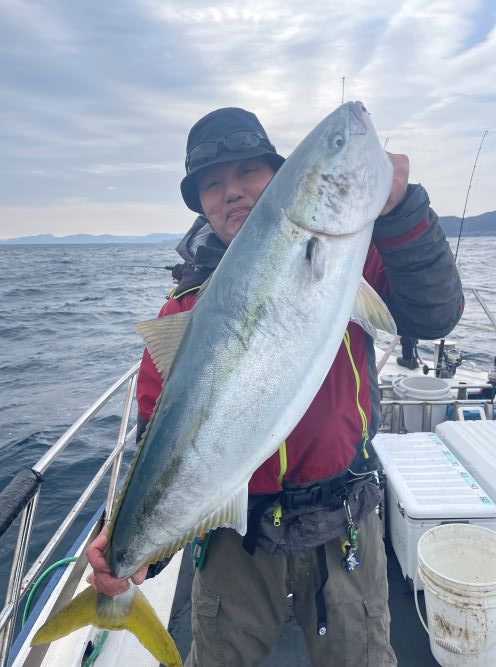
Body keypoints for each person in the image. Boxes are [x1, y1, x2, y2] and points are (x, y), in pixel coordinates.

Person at [87, 106, 464, 666]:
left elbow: (433, 315)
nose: (231, 192)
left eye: (248, 172)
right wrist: (134, 546)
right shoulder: (183, 309)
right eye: (212, 185)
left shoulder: (351, 258)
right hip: (234, 543)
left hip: (343, 520)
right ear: (201, 204)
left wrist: (402, 209)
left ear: (281, 178)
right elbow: (162, 446)